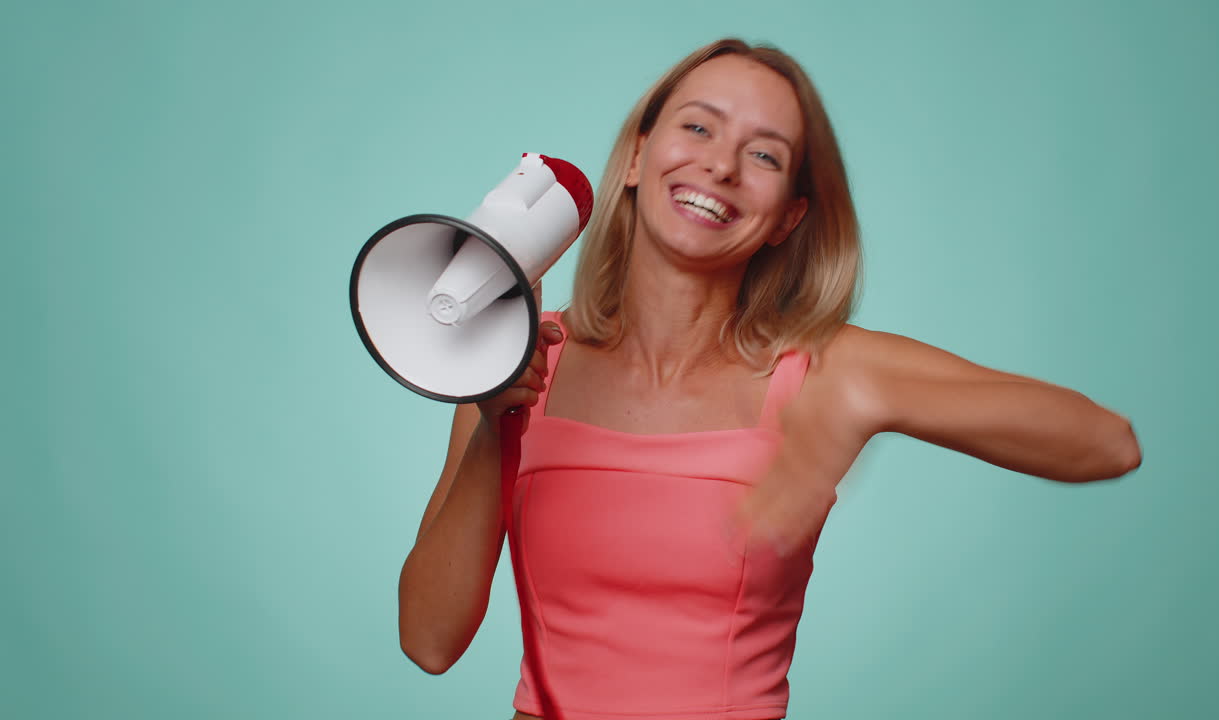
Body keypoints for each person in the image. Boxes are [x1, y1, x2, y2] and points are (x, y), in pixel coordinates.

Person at [397, 38, 1143, 720]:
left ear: (789, 216)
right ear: (636, 156)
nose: (720, 165)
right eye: (697, 127)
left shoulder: (826, 367)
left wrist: (864, 397)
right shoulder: (520, 362)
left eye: (764, 155)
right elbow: (429, 642)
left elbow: (1108, 444)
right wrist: (496, 426)